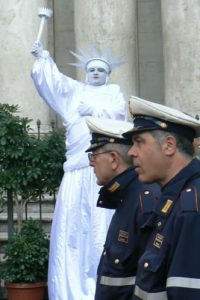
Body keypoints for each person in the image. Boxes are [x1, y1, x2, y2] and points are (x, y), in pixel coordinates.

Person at [30, 42, 126, 300]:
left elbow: (119, 118)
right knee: (72, 234)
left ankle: (100, 289)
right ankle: (68, 291)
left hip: (102, 175)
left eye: (100, 69)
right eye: (91, 69)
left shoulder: (114, 93)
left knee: (101, 230)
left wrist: (94, 111)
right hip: (76, 173)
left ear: (108, 74)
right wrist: (43, 58)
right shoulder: (75, 92)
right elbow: (53, 84)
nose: (95, 72)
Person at [123, 96, 200, 300]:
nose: (131, 152)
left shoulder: (191, 208)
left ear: (169, 145)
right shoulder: (173, 200)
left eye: (139, 142)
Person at [85, 116, 160, 300]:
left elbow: (152, 281)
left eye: (94, 156)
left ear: (113, 159)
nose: (91, 163)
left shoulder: (143, 200)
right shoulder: (126, 196)